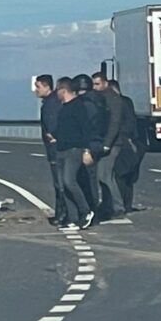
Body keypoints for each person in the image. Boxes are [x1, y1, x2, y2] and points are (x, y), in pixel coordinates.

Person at [55, 77, 95, 229]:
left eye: (58, 90)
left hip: (74, 149)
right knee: (62, 185)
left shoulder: (78, 106)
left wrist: (86, 150)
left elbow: (86, 130)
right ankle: (72, 218)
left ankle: (86, 212)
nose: (56, 93)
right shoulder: (63, 107)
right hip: (62, 149)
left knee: (69, 180)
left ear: (63, 90)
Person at [92, 71, 126, 220]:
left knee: (104, 175)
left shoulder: (112, 99)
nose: (94, 87)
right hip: (107, 142)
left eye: (97, 84)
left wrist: (107, 144)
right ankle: (108, 205)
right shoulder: (102, 97)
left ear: (105, 83)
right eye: (93, 84)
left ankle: (117, 206)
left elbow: (114, 123)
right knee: (105, 175)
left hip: (112, 143)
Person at [35, 74, 67, 226]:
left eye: (38, 86)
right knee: (60, 182)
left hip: (55, 148)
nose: (36, 90)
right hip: (55, 147)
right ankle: (62, 212)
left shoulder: (51, 104)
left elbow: (52, 125)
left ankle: (62, 213)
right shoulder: (52, 102)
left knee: (60, 183)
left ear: (47, 86)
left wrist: (53, 135)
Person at [109, 79, 141, 213]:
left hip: (123, 141)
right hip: (132, 141)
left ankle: (121, 204)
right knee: (128, 176)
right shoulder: (127, 101)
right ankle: (126, 204)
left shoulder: (117, 103)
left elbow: (126, 122)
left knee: (119, 174)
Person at [73, 74, 104, 214]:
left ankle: (90, 209)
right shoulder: (99, 100)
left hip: (88, 144)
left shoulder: (83, 104)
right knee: (93, 177)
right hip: (98, 142)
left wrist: (85, 148)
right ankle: (95, 207)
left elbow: (84, 127)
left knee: (86, 178)